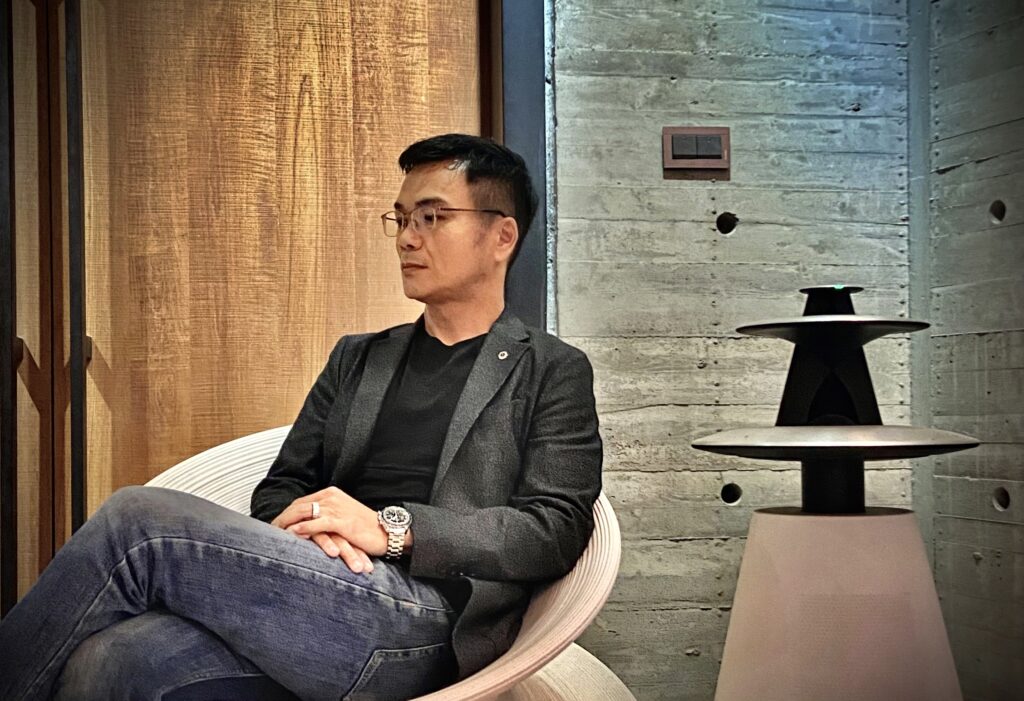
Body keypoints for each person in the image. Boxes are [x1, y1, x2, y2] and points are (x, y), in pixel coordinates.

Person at [0, 133, 603, 701]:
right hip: (320, 585)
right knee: (109, 659)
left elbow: (554, 530)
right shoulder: (359, 357)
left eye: (432, 217)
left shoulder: (551, 370)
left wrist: (391, 529)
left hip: (428, 622)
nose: (407, 239)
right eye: (401, 219)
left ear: (501, 236)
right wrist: (319, 527)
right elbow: (282, 486)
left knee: (139, 520)